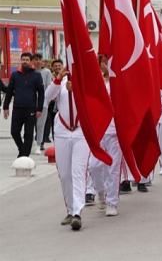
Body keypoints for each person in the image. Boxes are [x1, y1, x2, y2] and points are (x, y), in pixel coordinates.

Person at [44, 65, 88, 230]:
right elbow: (48, 96)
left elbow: (93, 100)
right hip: (62, 132)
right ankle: (70, 210)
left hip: (81, 133)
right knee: (65, 174)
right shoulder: (61, 82)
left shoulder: (86, 82)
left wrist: (76, 89)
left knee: (78, 172)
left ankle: (77, 213)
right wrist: (58, 79)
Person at [88, 58, 122, 217]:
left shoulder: (120, 82)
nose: (107, 64)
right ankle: (101, 192)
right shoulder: (96, 83)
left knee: (113, 169)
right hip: (99, 131)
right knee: (94, 166)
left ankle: (112, 202)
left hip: (116, 133)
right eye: (104, 61)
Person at [3, 52, 44, 157]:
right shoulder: (15, 75)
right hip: (17, 107)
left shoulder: (36, 75)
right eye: (23, 60)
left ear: (31, 62)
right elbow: (9, 91)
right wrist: (6, 107)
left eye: (27, 60)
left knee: (28, 133)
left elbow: (41, 92)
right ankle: (22, 149)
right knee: (14, 131)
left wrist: (39, 109)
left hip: (30, 108)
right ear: (21, 61)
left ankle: (25, 155)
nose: (25, 62)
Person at [33, 53, 52, 154]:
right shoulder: (30, 72)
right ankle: (32, 142)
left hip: (43, 101)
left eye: (40, 59)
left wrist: (47, 101)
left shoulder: (47, 72)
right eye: (36, 59)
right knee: (30, 124)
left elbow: (49, 86)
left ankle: (39, 144)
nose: (38, 61)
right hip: (31, 101)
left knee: (40, 125)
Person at [43, 59, 63, 144]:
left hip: (61, 104)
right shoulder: (50, 76)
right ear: (52, 67)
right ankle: (54, 140)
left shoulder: (66, 77)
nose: (58, 67)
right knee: (51, 122)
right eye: (56, 66)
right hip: (51, 103)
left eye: (59, 66)